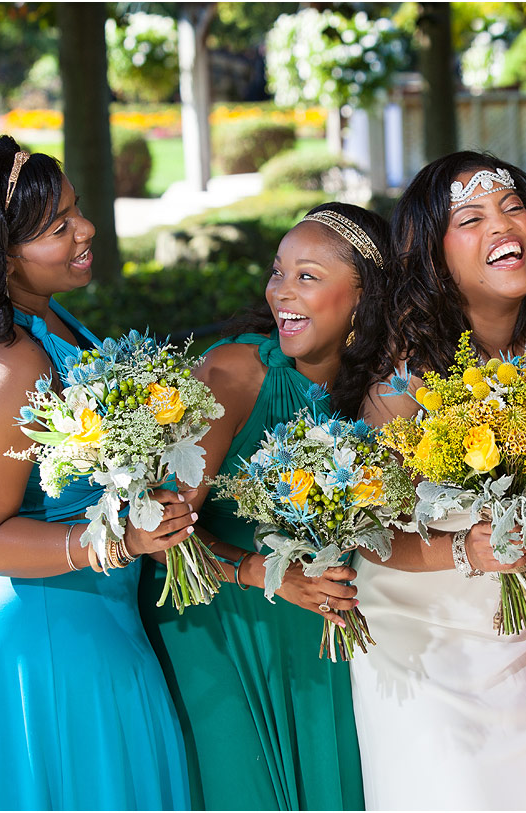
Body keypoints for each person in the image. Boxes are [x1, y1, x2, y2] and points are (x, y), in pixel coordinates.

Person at [0, 135, 195, 810]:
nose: (86, 229)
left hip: (92, 616)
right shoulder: (8, 366)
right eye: (59, 226)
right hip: (44, 636)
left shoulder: (43, 316)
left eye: (76, 210)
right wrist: (117, 540)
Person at [349, 151, 526, 810]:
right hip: (427, 657)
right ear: (433, 255)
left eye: (513, 207)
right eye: (472, 217)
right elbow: (363, 535)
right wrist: (463, 548)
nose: (502, 226)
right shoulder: (401, 383)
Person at [138, 202, 392, 811]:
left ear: (364, 297)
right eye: (279, 272)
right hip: (219, 630)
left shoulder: (384, 393)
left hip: (318, 645)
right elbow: (158, 531)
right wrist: (260, 572)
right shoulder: (237, 371)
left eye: (308, 276)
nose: (282, 291)